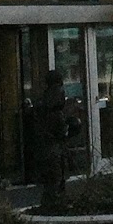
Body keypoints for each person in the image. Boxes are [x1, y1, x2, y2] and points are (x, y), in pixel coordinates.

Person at [35, 70, 69, 202]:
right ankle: (56, 201)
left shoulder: (44, 99)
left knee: (51, 177)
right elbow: (59, 127)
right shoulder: (56, 98)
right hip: (54, 144)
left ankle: (51, 200)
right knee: (56, 176)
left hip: (46, 144)